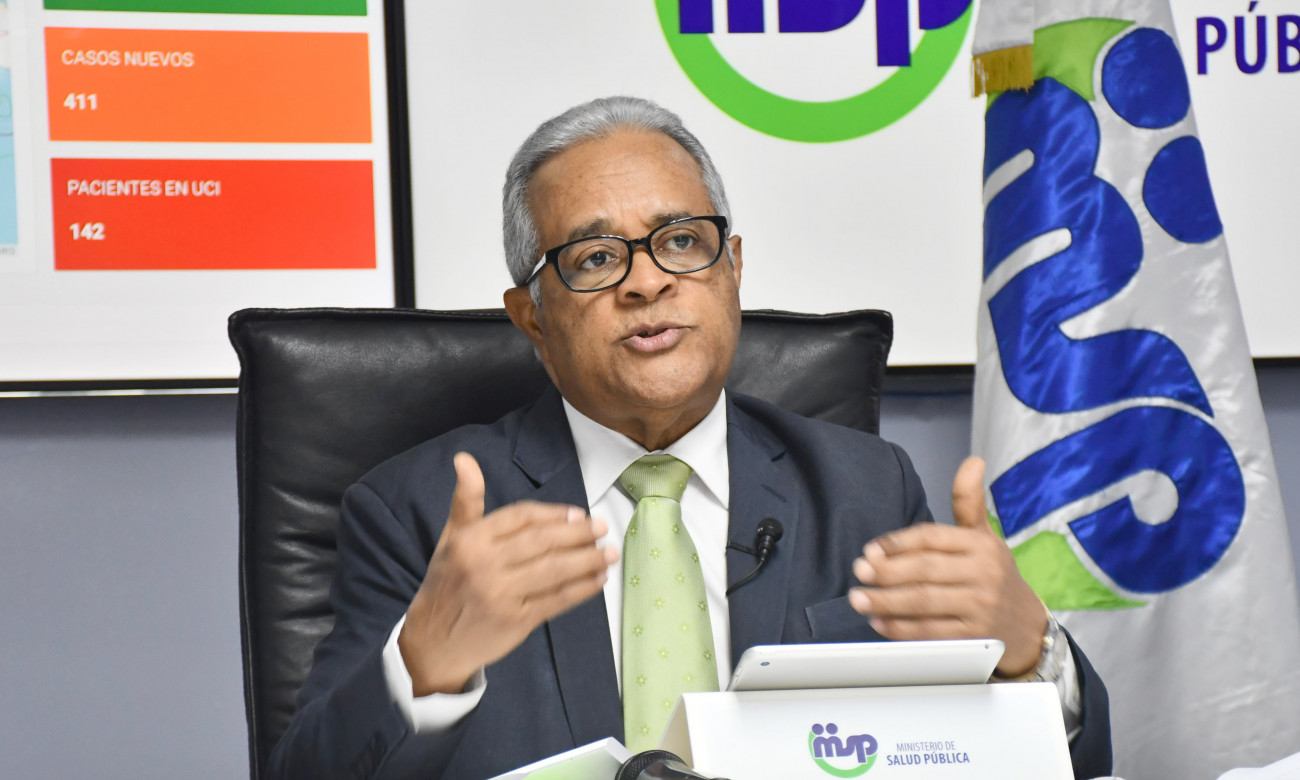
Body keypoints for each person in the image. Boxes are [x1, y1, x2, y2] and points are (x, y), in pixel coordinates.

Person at [267, 96, 1111, 780]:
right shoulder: (415, 512)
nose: (647, 282)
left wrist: (1028, 653)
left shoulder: (865, 488)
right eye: (596, 258)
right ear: (532, 317)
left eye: (680, 242)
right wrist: (422, 667)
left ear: (732, 268)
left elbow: (1056, 762)